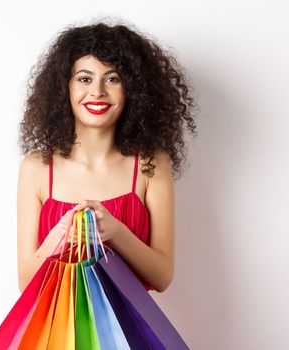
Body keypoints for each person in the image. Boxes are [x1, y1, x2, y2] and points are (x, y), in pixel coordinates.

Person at [15, 19, 198, 293]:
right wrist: (59, 237)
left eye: (112, 78)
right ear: (64, 88)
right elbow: (25, 283)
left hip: (128, 333)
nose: (98, 91)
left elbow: (162, 277)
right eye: (84, 79)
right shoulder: (37, 168)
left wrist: (115, 231)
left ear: (132, 90)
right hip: (59, 335)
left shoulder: (150, 165)